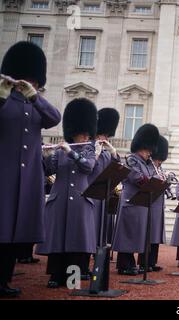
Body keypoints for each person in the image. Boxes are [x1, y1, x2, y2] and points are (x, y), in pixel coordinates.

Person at [0, 41, 61, 297]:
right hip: (4, 178)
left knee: (14, 234)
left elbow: (54, 118)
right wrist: (2, 95)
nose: (30, 84)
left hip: (26, 181)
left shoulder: (35, 104)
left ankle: (3, 280)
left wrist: (35, 97)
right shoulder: (4, 100)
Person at [36, 98, 97, 288]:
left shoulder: (88, 149)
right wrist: (44, 156)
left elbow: (88, 167)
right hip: (59, 199)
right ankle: (56, 275)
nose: (87, 136)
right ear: (74, 132)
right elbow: (48, 171)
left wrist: (71, 152)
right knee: (58, 239)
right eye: (83, 133)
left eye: (88, 133)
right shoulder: (60, 149)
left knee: (77, 241)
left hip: (79, 200)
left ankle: (73, 278)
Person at [112, 124, 160, 275]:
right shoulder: (132, 160)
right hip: (130, 202)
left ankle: (129, 264)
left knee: (135, 235)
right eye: (148, 150)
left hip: (139, 203)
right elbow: (136, 178)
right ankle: (124, 265)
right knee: (128, 234)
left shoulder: (144, 163)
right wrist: (154, 180)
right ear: (141, 147)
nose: (149, 154)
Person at [137, 136, 170, 272]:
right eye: (157, 160)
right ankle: (144, 262)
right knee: (148, 234)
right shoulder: (149, 168)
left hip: (159, 205)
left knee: (155, 235)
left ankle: (152, 261)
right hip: (150, 203)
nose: (159, 162)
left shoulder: (160, 169)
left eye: (160, 160)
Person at [89, 108, 120, 248]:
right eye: (104, 136)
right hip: (88, 195)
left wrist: (114, 153)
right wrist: (95, 153)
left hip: (101, 197)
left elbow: (117, 170)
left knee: (99, 233)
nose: (106, 139)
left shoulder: (107, 154)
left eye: (108, 136)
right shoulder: (88, 149)